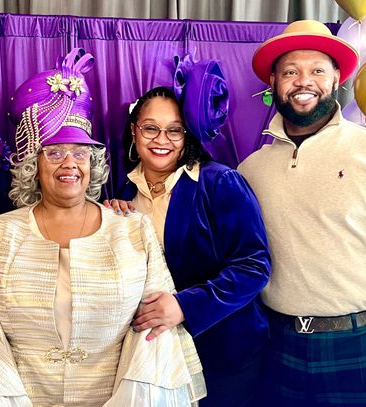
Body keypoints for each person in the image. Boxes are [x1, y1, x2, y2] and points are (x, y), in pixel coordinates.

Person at [0, 48, 205, 407]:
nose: (70, 163)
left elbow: (155, 332)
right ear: (34, 162)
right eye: (55, 152)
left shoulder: (132, 230)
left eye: (81, 153)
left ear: (92, 163)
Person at [109, 56, 271, 406]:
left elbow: (254, 267)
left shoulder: (220, 183)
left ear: (187, 134)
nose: (161, 139)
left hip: (224, 353)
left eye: (174, 129)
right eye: (150, 128)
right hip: (153, 357)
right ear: (134, 130)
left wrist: (184, 305)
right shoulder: (122, 194)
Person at [238, 20, 366, 406]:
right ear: (273, 81)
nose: (304, 82)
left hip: (362, 346)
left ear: (336, 78)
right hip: (275, 345)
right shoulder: (249, 170)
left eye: (317, 70)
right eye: (290, 72)